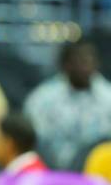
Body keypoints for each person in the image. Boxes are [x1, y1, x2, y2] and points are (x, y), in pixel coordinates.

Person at [24, 40, 111, 170]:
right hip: (51, 171)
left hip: (97, 176)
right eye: (79, 61)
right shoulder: (43, 98)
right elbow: (30, 140)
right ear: (65, 65)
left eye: (89, 61)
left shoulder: (107, 96)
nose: (84, 67)